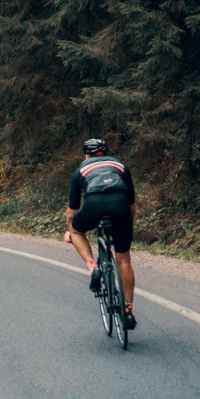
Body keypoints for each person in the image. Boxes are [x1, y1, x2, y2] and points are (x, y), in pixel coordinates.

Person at [64, 138, 137, 330]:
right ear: (105, 153)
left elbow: (72, 212)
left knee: (75, 229)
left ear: (86, 155)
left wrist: (70, 230)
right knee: (124, 260)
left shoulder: (80, 170)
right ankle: (129, 309)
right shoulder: (121, 166)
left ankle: (93, 267)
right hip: (121, 207)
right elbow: (132, 206)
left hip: (93, 204)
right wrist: (127, 224)